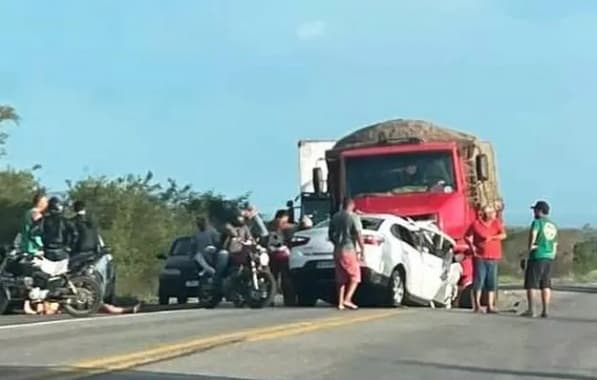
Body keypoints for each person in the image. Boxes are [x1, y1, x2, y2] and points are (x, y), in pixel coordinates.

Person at [466, 204, 507, 313]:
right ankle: (477, 305)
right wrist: (472, 247)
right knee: (479, 281)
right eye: (492, 212)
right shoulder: (476, 224)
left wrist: (492, 237)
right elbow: (467, 236)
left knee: (491, 282)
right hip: (480, 256)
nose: (494, 214)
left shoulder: (496, 223)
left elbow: (503, 235)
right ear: (486, 214)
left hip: (493, 257)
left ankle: (490, 305)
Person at [522, 200, 558, 318]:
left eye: (536, 210)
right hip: (549, 256)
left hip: (537, 255)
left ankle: (531, 309)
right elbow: (555, 243)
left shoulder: (537, 222)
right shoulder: (553, 225)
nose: (534, 212)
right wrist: (552, 254)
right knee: (545, 284)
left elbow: (534, 233)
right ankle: (545, 310)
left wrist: (530, 247)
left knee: (531, 283)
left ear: (540, 211)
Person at [328, 198, 364, 310]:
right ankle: (348, 299)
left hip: (337, 250)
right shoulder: (353, 217)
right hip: (349, 249)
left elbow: (330, 234)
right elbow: (358, 234)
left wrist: (336, 242)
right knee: (355, 276)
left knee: (340, 277)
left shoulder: (335, 217)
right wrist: (362, 249)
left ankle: (340, 303)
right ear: (352, 205)